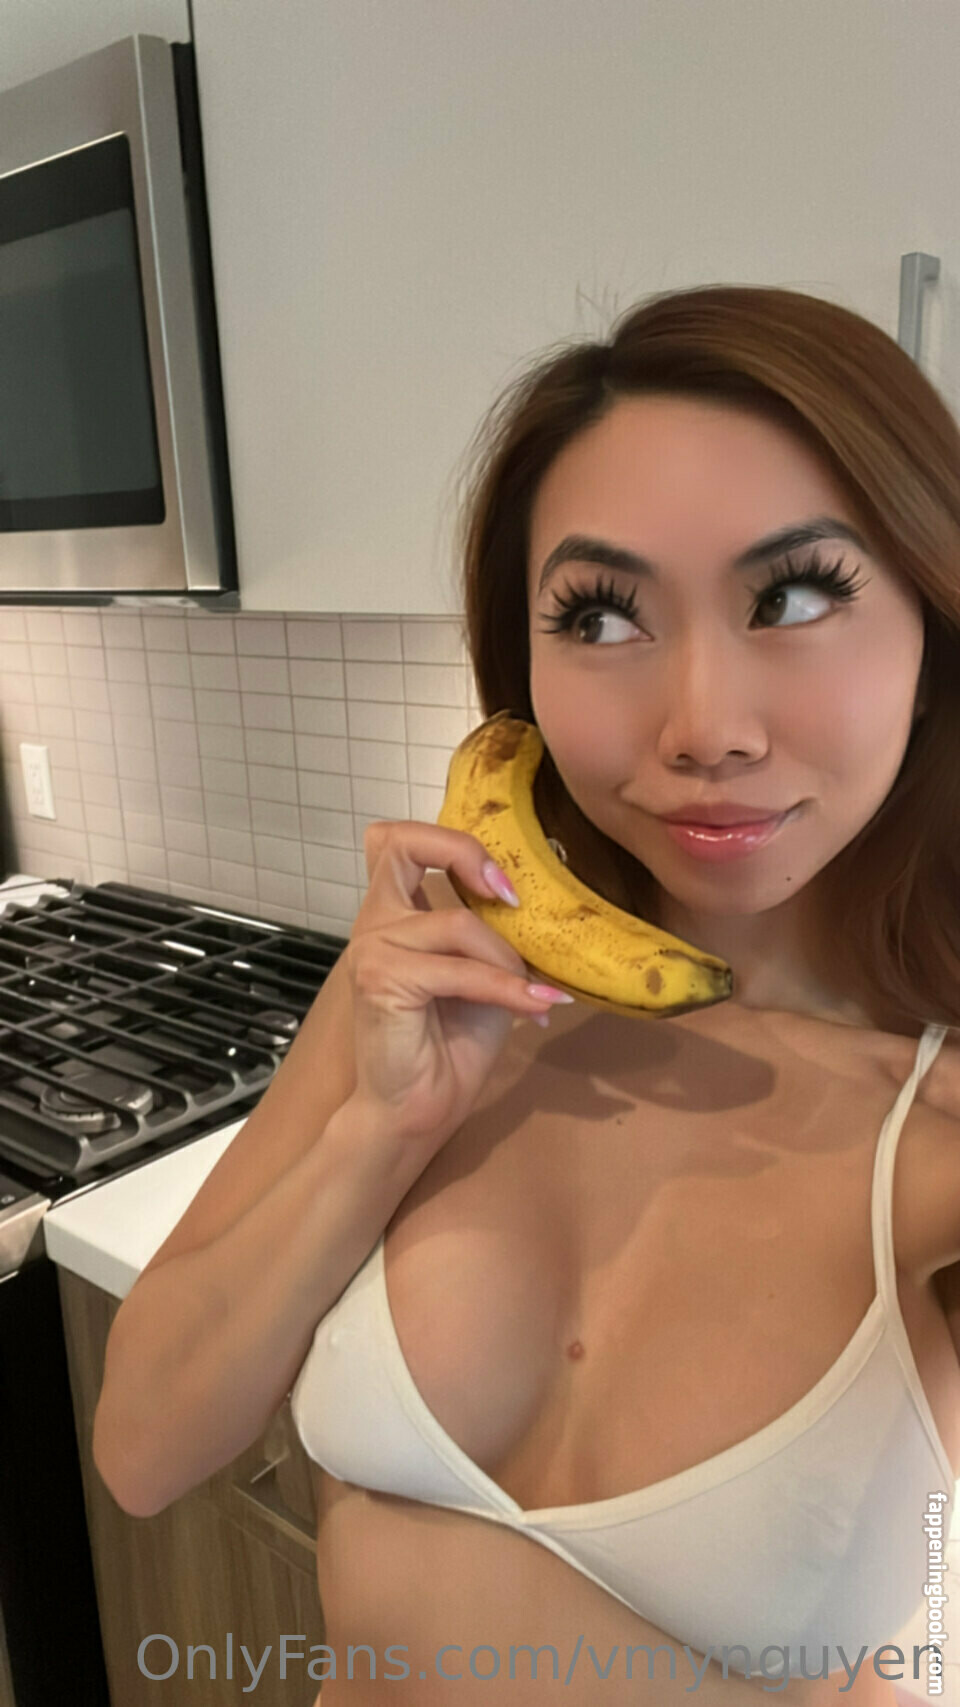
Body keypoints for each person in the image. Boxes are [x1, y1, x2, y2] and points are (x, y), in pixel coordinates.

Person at [92, 284, 960, 1705]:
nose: (705, 729)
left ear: (932, 640)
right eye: (604, 616)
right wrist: (380, 1132)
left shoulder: (934, 1137)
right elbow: (140, 1452)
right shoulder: (437, 979)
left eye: (796, 597)